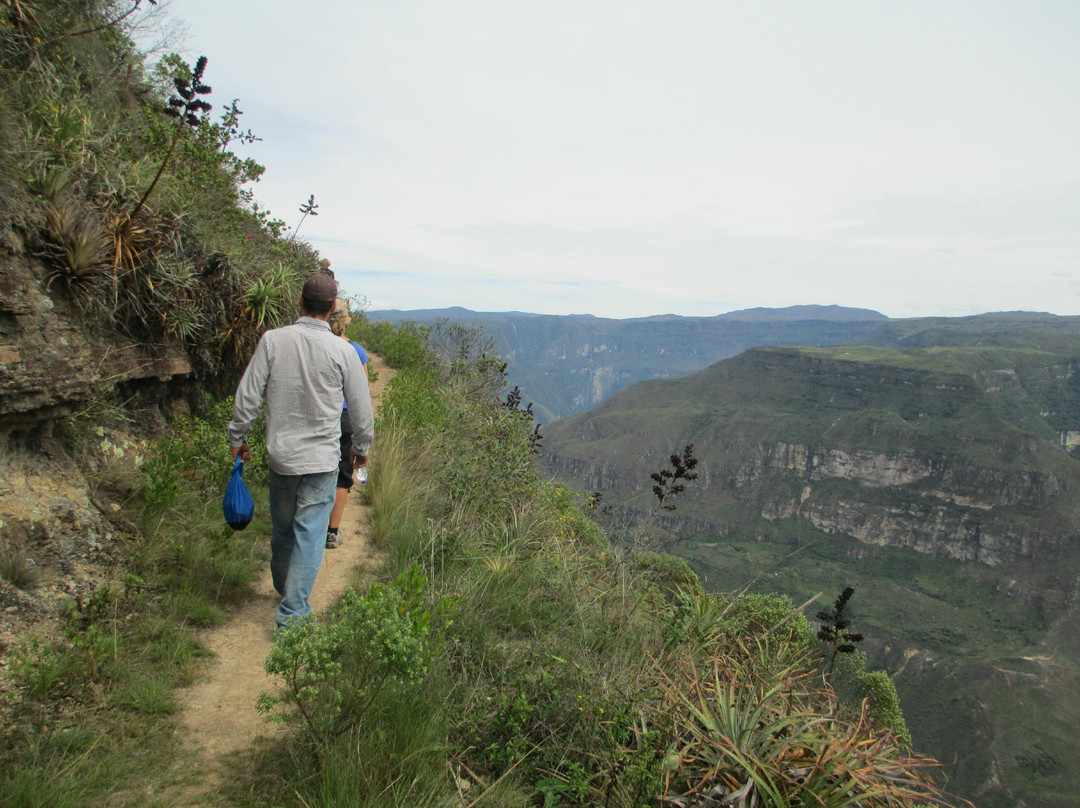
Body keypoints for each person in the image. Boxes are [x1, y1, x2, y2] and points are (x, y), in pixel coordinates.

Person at [227, 271, 374, 628]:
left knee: (283, 529)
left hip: (282, 456)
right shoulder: (344, 351)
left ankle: (285, 589)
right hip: (323, 459)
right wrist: (361, 448)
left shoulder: (272, 341)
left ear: (300, 302)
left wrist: (238, 437)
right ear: (333, 307)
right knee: (309, 530)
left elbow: (248, 395)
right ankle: (293, 611)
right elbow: (361, 409)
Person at [325, 297, 369, 549]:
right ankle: (332, 531)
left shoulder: (317, 346)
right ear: (345, 320)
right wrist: (364, 442)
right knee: (343, 473)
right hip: (345, 418)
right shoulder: (355, 350)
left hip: (320, 417)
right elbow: (361, 396)